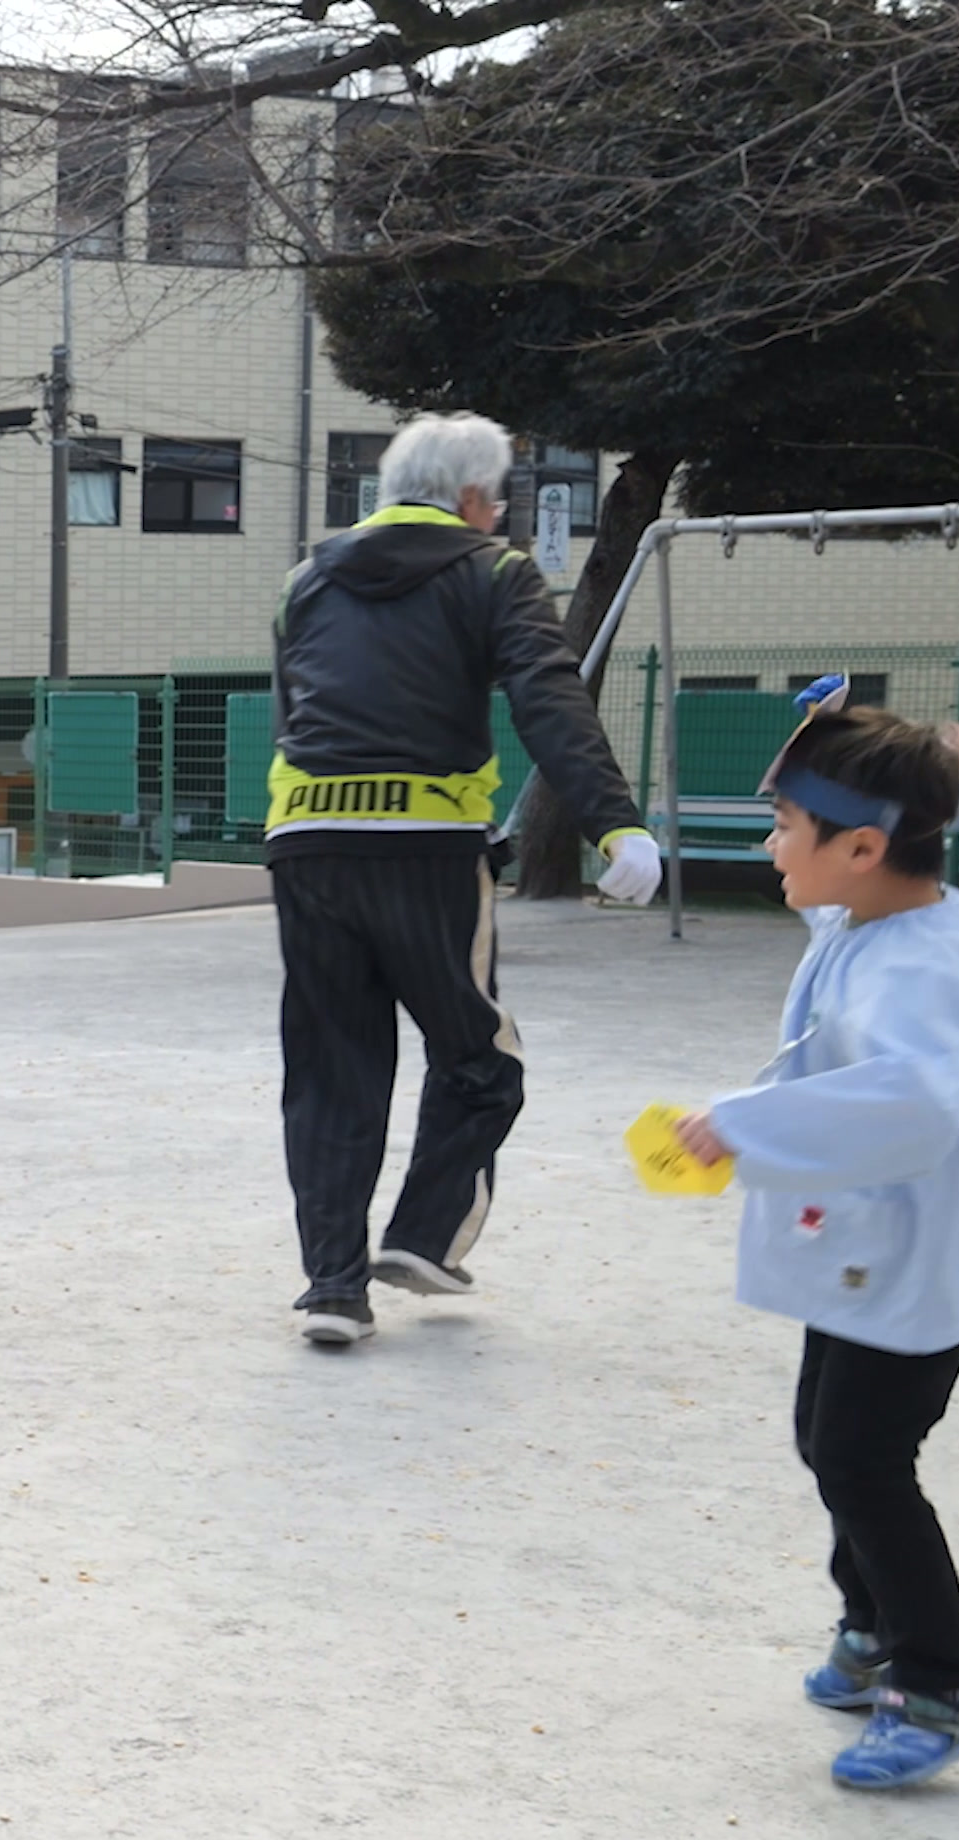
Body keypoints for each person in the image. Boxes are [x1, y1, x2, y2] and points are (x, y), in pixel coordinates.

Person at [265, 413, 664, 1346]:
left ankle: (333, 1290)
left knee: (331, 1068)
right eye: (499, 500)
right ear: (476, 498)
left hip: (305, 840)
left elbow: (294, 708)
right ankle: (421, 1238)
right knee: (483, 1059)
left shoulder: (305, 578)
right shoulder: (495, 572)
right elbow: (548, 695)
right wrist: (614, 822)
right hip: (427, 847)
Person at [672, 703, 959, 1790]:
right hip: (873, 1252)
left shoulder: (920, 969)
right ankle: (872, 1623)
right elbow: (918, 814)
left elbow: (918, 1103)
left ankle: (940, 1687)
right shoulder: (889, 902)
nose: (771, 846)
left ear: (859, 848)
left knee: (862, 1458)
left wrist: (742, 1129)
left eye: (784, 826)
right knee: (831, 1439)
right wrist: (952, 765)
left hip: (915, 1258)